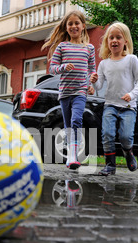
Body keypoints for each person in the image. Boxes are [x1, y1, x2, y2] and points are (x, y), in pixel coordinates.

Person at [42, 10, 96, 170]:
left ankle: (73, 155)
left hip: (80, 91)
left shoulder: (89, 48)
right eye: (70, 24)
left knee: (76, 120)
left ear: (83, 26)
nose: (74, 26)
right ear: (66, 28)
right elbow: (52, 69)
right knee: (67, 126)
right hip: (65, 92)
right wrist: (63, 67)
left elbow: (92, 70)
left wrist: (92, 83)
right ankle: (70, 149)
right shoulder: (62, 46)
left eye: (77, 23)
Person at [90, 22, 138, 175]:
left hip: (128, 107)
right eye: (111, 37)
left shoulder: (131, 59)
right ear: (107, 42)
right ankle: (110, 165)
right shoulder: (103, 64)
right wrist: (94, 81)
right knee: (107, 134)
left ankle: (128, 152)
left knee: (126, 137)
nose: (114, 40)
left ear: (125, 41)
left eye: (118, 37)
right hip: (110, 105)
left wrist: (132, 94)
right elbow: (99, 86)